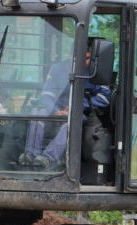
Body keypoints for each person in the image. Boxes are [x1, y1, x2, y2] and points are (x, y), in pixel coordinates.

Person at [19, 41, 111, 169]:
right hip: (55, 111)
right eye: (81, 58)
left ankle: (47, 158)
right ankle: (30, 154)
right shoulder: (58, 69)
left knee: (71, 122)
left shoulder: (95, 72)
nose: (85, 62)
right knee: (37, 112)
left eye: (88, 58)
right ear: (72, 55)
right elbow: (47, 94)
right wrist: (56, 110)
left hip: (79, 113)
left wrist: (78, 106)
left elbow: (105, 98)